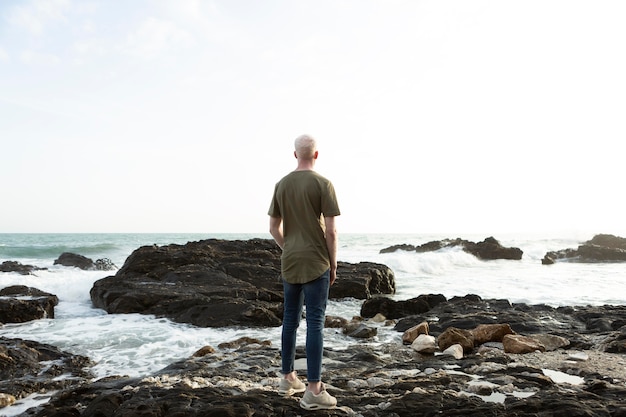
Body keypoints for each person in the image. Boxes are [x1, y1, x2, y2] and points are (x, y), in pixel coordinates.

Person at [268, 134, 340, 410]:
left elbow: (274, 228)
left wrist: (290, 248)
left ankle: (287, 378)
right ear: (316, 155)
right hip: (316, 261)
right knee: (315, 323)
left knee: (290, 319)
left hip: (291, 260)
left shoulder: (281, 184)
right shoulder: (323, 184)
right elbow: (331, 231)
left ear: (295, 154)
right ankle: (314, 390)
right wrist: (332, 263)